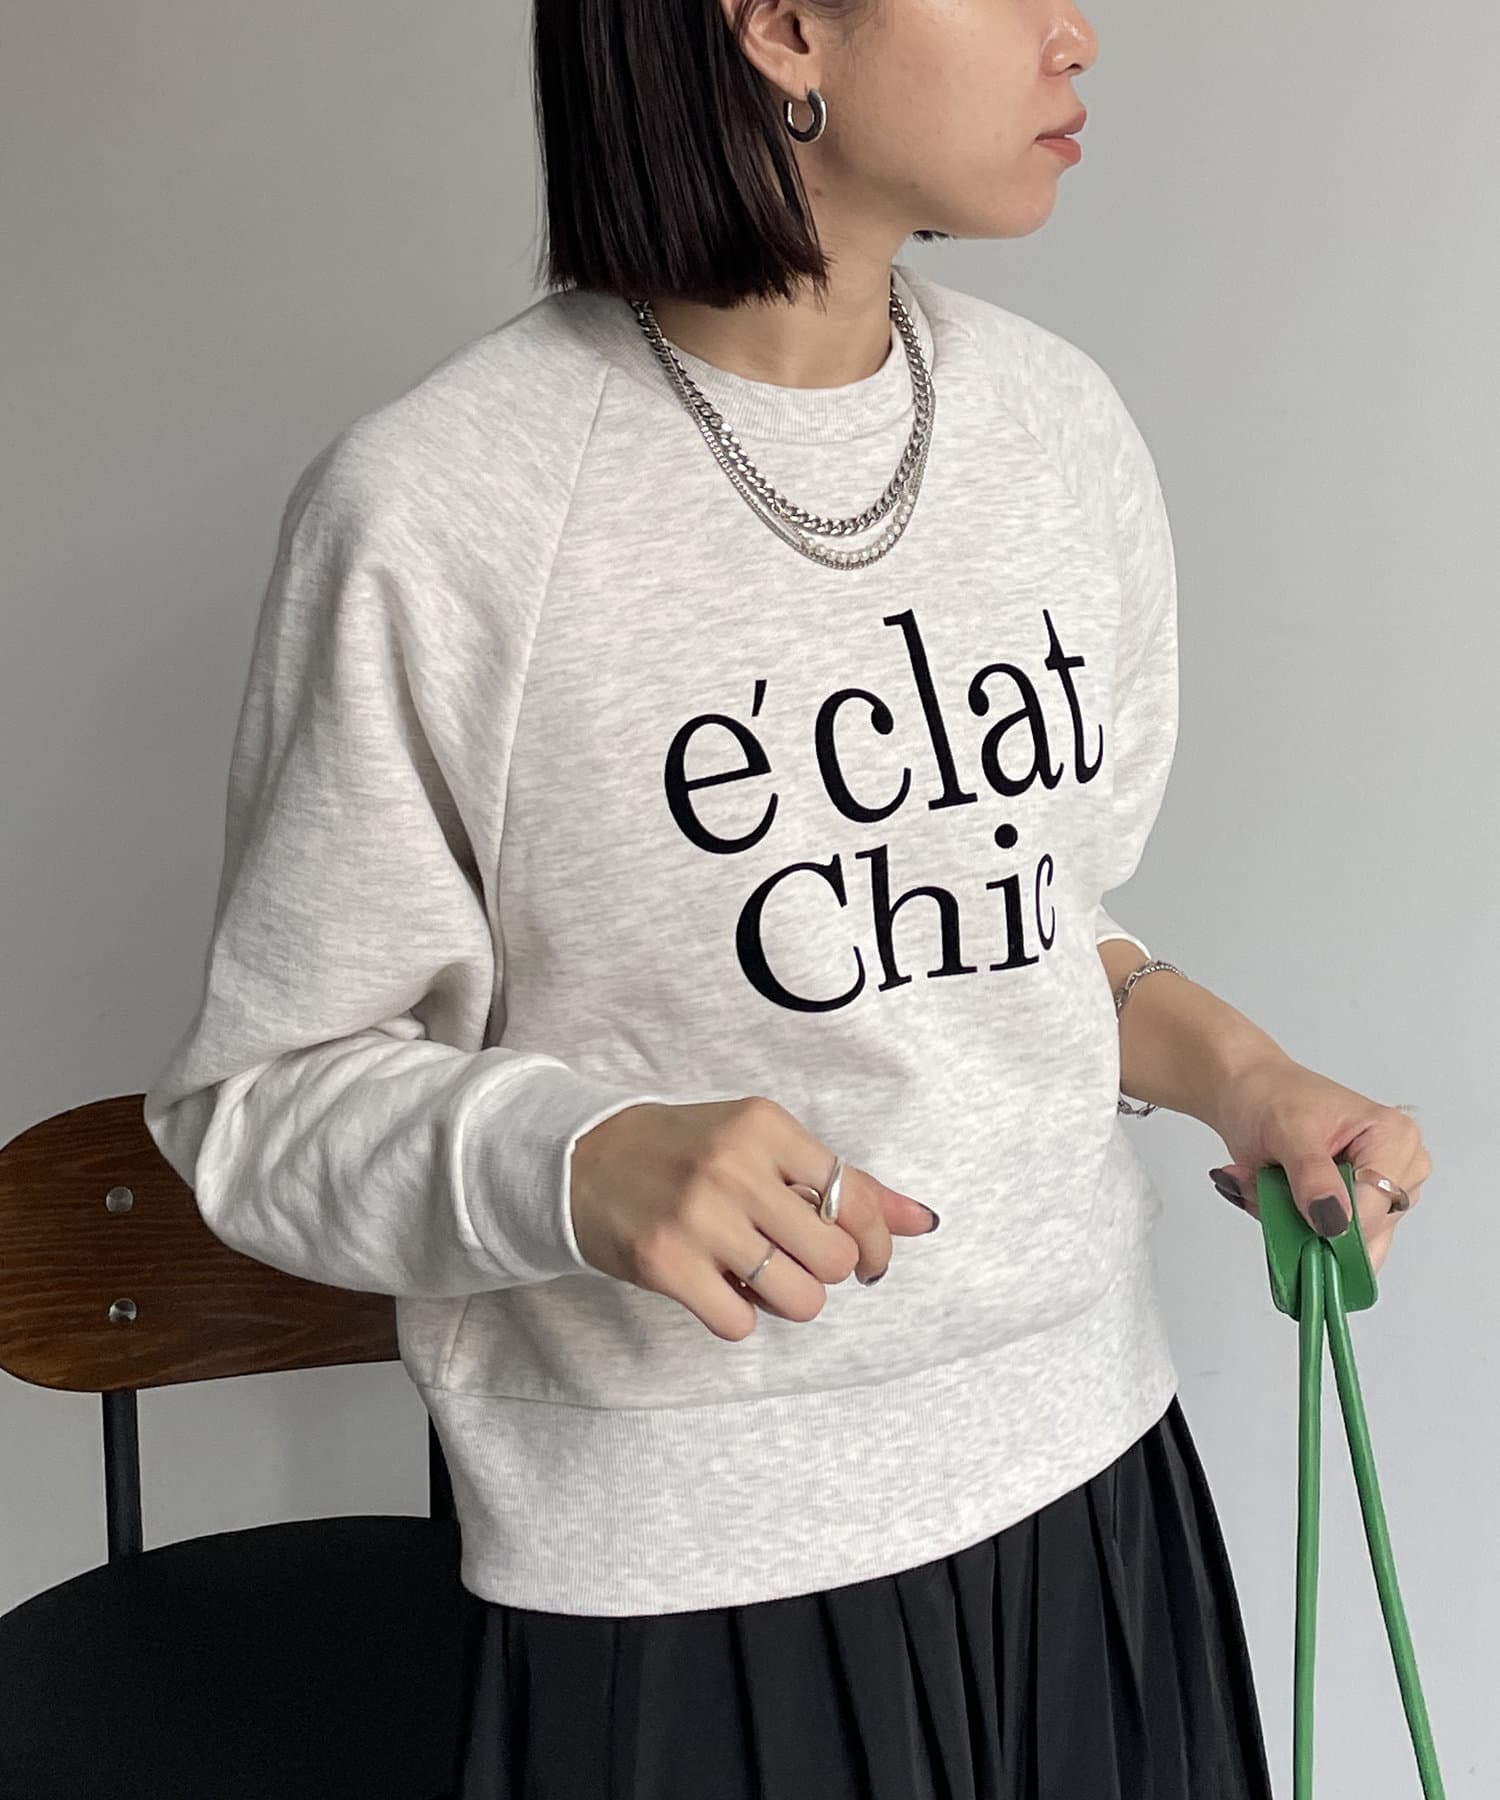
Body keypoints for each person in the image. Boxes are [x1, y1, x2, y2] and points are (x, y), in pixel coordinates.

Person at [142, 0, 1433, 1792]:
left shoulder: (1058, 428)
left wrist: (1246, 1075)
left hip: (1095, 1486)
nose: (1076, 33)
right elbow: (259, 1104)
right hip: (690, 1593)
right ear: (777, 24)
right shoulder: (443, 506)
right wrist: (576, 1162)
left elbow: (1025, 920)